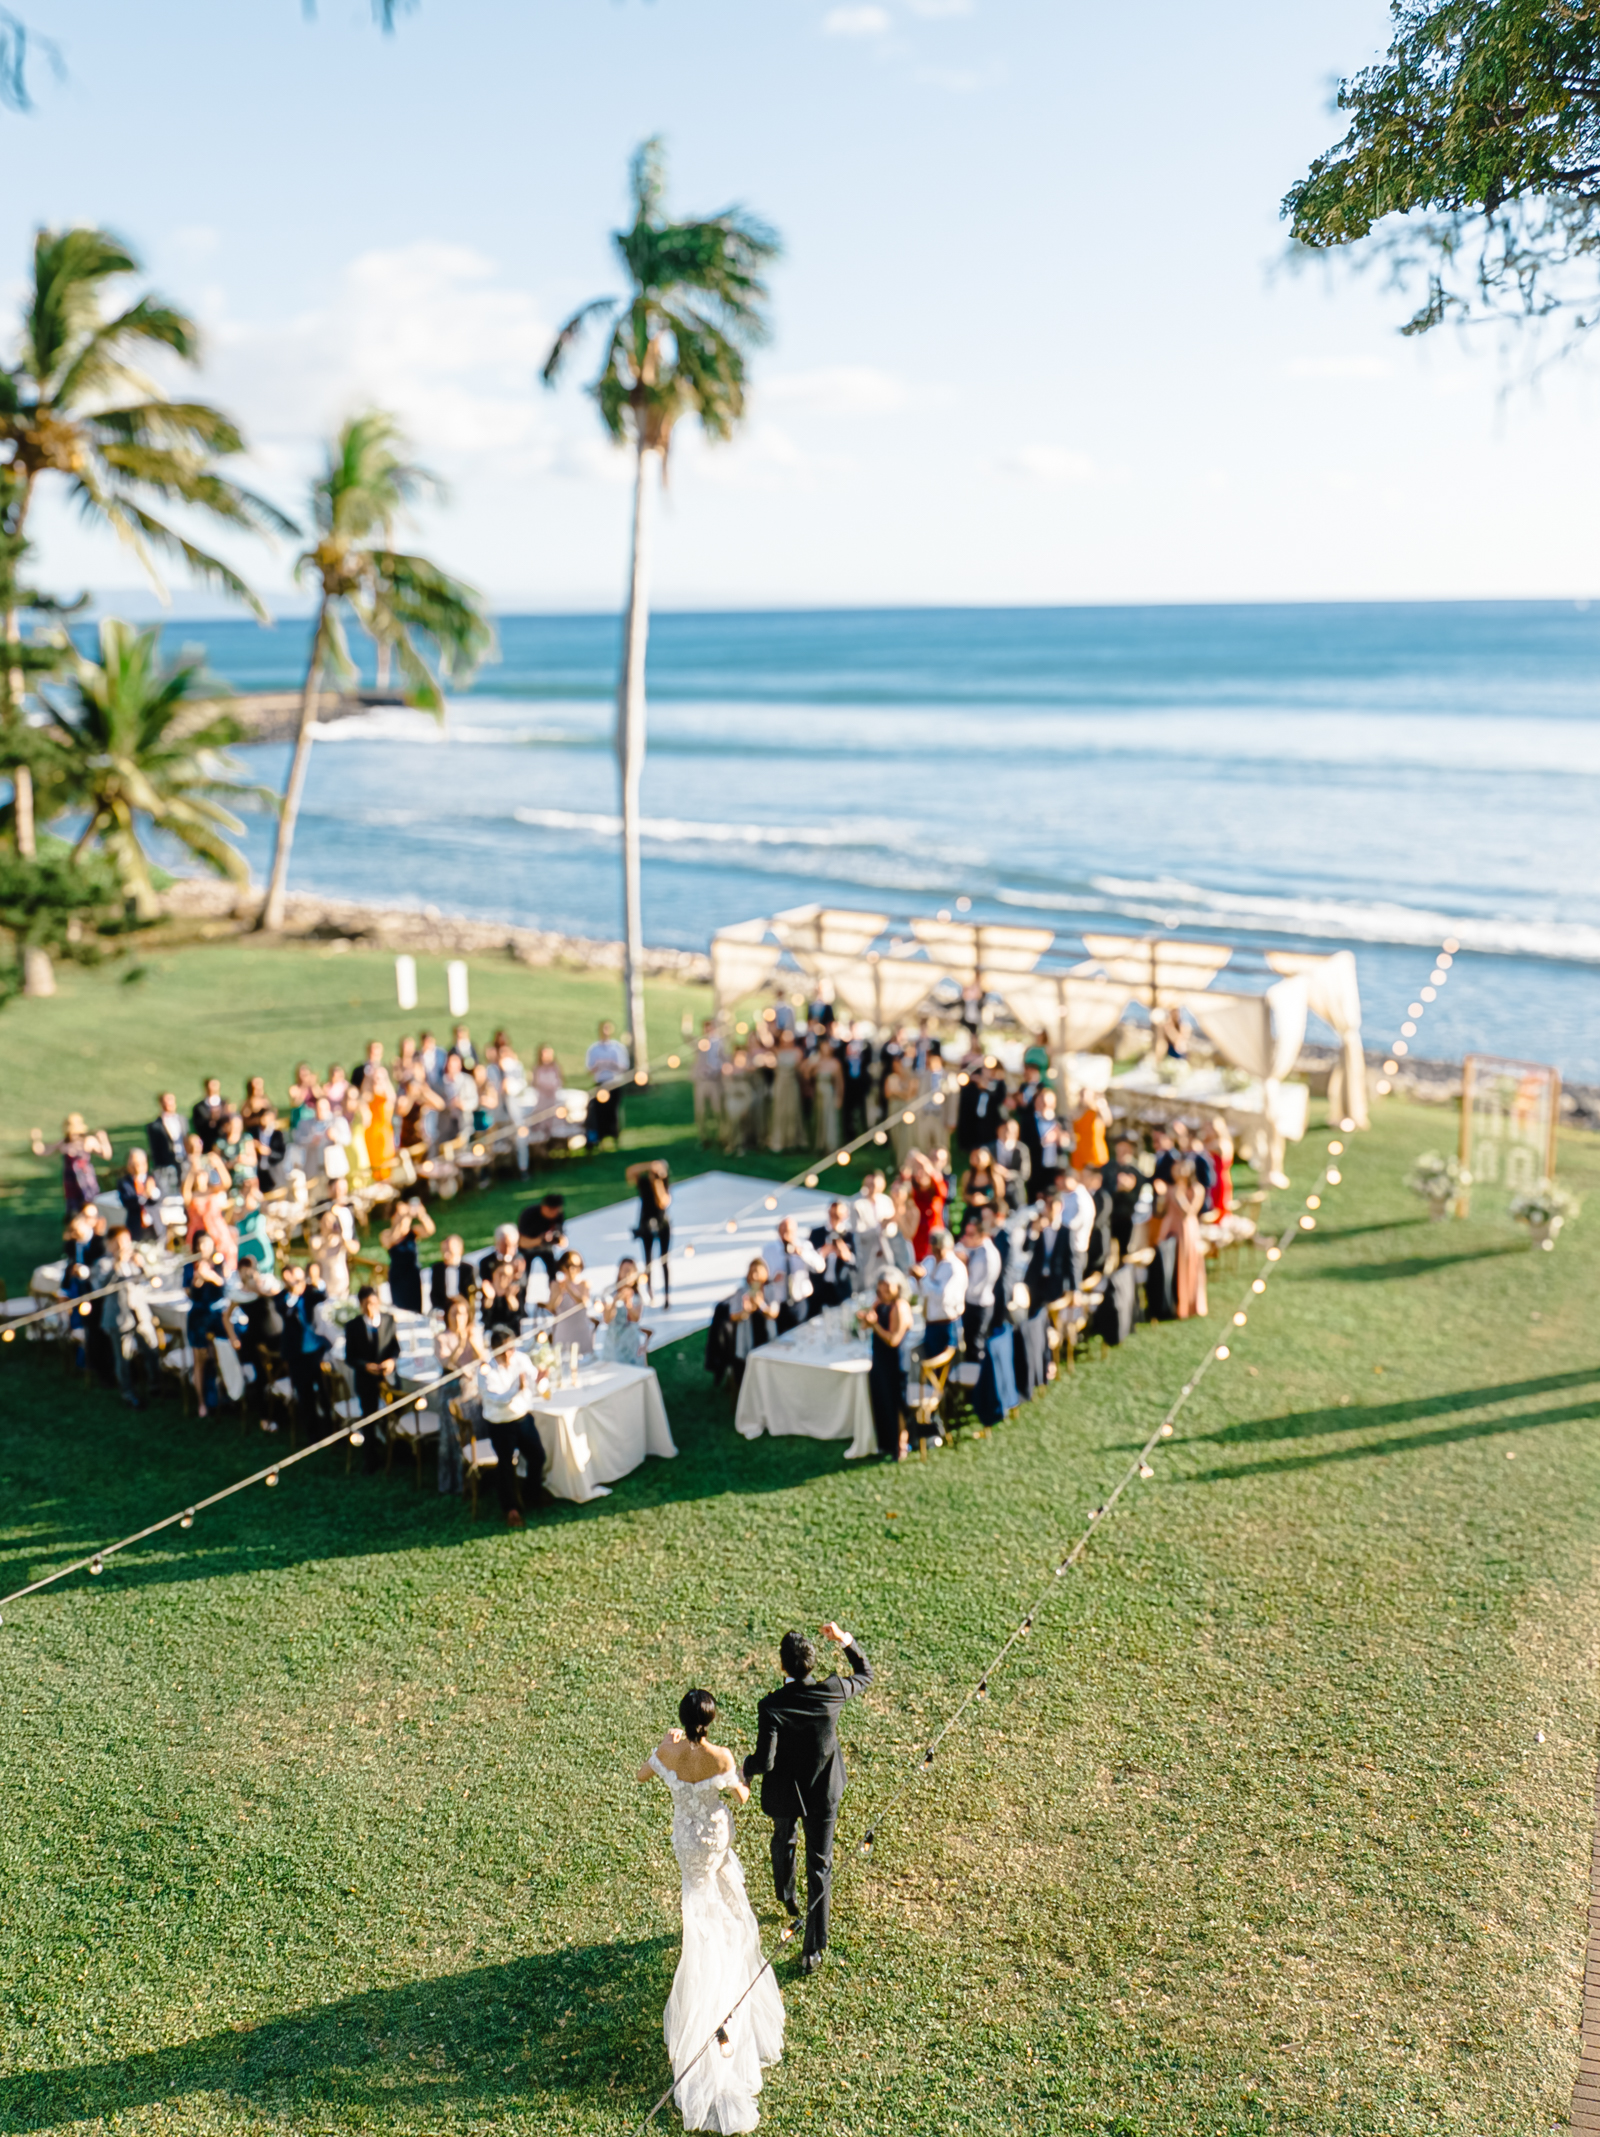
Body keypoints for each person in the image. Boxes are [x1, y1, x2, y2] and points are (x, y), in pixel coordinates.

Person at [641, 1687, 783, 2133]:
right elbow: (740, 1795)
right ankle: (725, 1977)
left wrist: (667, 1746)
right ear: (711, 1718)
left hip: (687, 1843)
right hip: (714, 1840)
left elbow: (643, 1775)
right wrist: (735, 1777)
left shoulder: (670, 1749)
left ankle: (707, 1956)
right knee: (724, 1902)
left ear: (682, 1720)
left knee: (698, 1901)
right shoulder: (720, 1756)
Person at [743, 1622, 873, 1973]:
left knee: (783, 1839)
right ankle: (811, 1951)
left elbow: (765, 1760)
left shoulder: (771, 1705)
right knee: (820, 1866)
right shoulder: (832, 1691)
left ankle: (787, 1898)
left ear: (782, 1666)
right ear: (812, 1664)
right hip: (823, 1793)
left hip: (787, 1790)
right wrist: (845, 1639)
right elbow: (865, 1673)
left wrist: (744, 1769)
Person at [476, 1326, 547, 1525]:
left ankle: (531, 1494)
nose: (510, 1354)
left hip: (522, 1418)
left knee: (538, 1456)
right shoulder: (485, 1370)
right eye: (505, 1350)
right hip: (500, 1424)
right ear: (495, 1350)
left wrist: (540, 1378)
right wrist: (518, 1388)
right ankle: (511, 1509)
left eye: (511, 1348)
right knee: (505, 1466)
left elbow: (532, 1377)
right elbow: (497, 1398)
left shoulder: (521, 1359)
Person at [91, 1227, 158, 1408]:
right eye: (120, 1242)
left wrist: (143, 1265)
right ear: (110, 1243)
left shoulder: (134, 1259)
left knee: (151, 1348)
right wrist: (116, 1266)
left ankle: (155, 1384)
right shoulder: (103, 1263)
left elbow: (152, 1280)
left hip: (139, 1313)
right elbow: (101, 1289)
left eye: (127, 1241)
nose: (124, 1246)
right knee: (123, 1357)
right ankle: (128, 1393)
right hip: (118, 1317)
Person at [433, 1293, 485, 1496]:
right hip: (451, 1392)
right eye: (454, 1314)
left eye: (462, 1313)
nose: (458, 1318)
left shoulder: (475, 1332)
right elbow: (449, 1364)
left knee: (475, 1432)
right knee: (452, 1438)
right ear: (447, 1316)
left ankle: (476, 1481)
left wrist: (471, 1341)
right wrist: (461, 1343)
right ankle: (453, 1483)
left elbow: (482, 1359)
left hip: (471, 1391)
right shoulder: (441, 1338)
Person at [858, 1273, 913, 1460]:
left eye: (888, 1286)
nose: (884, 1289)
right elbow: (866, 1326)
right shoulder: (879, 1303)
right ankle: (885, 1442)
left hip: (895, 1361)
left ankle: (901, 1445)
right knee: (882, 1399)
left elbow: (893, 1339)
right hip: (879, 1360)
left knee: (896, 1402)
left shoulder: (900, 1307)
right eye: (881, 1284)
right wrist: (865, 1319)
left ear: (898, 1287)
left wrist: (875, 1326)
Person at [344, 1286, 400, 1471]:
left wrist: (391, 1361)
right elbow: (350, 1357)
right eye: (367, 1304)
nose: (371, 1307)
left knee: (395, 1413)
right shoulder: (353, 1326)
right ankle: (371, 1459)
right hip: (366, 1380)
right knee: (368, 1418)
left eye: (374, 1303)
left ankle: (397, 1451)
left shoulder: (388, 1320)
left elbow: (395, 1347)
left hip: (387, 1379)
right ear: (361, 1305)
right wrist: (365, 1366)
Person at [31, 1114, 113, 1219]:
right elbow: (44, 1151)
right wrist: (36, 1140)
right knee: (73, 1213)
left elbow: (107, 1155)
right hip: (71, 1183)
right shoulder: (64, 1143)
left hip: (86, 1182)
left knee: (90, 1209)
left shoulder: (87, 1141)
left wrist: (103, 1140)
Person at [1157, 1156, 1208, 1319]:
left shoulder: (1197, 1189)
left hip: (1187, 1230)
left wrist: (1177, 1193)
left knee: (1187, 1264)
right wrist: (1161, 1195)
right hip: (1170, 1228)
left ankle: (1188, 1305)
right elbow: (1161, 1210)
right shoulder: (1170, 1188)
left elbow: (1188, 1212)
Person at [915, 1227, 966, 1371]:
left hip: (946, 1324)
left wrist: (923, 1279)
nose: (936, 1252)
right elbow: (920, 1289)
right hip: (930, 1323)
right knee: (930, 1364)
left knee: (946, 1369)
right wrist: (917, 1279)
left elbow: (943, 1297)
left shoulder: (954, 1267)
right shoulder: (930, 1261)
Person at [183, 1134, 235, 1270]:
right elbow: (185, 1194)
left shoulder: (212, 1191)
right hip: (198, 1234)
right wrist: (191, 1173)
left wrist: (218, 1164)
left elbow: (227, 1183)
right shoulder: (192, 1196)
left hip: (217, 1231)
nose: (201, 1176)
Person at [767, 1216, 825, 1333]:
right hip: (781, 1302)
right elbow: (764, 1274)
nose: (786, 1235)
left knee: (804, 1332)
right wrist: (773, 1278)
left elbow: (820, 1266)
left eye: (789, 1232)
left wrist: (802, 1253)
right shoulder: (770, 1249)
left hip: (801, 1299)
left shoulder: (804, 1246)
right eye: (783, 1231)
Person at [727, 1257, 780, 1386]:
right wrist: (745, 1312)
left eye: (757, 1271)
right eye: (752, 1272)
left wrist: (760, 1304)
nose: (754, 1276)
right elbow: (732, 1316)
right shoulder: (741, 1292)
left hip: (765, 1335)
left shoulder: (771, 1290)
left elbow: (773, 1313)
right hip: (747, 1337)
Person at [626, 1158, 672, 1305]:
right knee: (648, 1261)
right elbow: (629, 1172)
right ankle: (650, 1291)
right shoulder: (644, 1183)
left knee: (664, 1260)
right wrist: (649, 1167)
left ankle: (666, 1296)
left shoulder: (663, 1185)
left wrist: (656, 1182)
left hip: (662, 1225)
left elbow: (662, 1202)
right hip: (646, 1225)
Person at [956, 1212, 1001, 1361]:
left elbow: (975, 1288)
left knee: (976, 1344)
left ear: (982, 1235)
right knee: (969, 1342)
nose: (965, 1238)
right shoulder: (974, 1248)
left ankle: (976, 1377)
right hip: (972, 1304)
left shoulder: (987, 1256)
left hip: (979, 1306)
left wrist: (964, 1265)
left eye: (970, 1234)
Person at [380, 1198, 435, 1314]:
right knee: (400, 1309)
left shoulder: (413, 1233)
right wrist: (401, 1221)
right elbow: (391, 1241)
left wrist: (422, 1214)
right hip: (398, 1277)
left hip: (412, 1275)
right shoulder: (386, 1233)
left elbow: (429, 1230)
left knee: (415, 1309)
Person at [586, 1020, 630, 1147]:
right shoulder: (594, 1049)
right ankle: (600, 1137)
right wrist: (599, 1065)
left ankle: (615, 1135)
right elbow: (589, 1069)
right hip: (601, 1082)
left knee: (613, 1110)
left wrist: (612, 1064)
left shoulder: (618, 1048)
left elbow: (624, 1066)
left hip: (615, 1082)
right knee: (600, 1111)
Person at [600, 1258, 650, 1365]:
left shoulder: (638, 1294)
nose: (627, 1274)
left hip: (631, 1343)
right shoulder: (609, 1292)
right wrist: (614, 1301)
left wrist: (628, 1303)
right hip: (613, 1344)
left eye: (630, 1271)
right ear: (619, 1272)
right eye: (625, 1270)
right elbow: (606, 1319)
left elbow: (636, 1319)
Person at [809, 1200, 857, 1307]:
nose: (834, 1218)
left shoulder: (850, 1235)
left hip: (841, 1285)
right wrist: (822, 1252)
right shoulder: (817, 1234)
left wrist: (844, 1251)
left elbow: (856, 1262)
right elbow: (809, 1261)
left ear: (845, 1216)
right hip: (820, 1287)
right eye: (832, 1214)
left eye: (838, 1215)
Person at [548, 1249, 595, 1356]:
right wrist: (559, 1293)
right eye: (568, 1266)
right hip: (563, 1330)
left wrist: (569, 1289)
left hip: (580, 1330)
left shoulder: (584, 1284)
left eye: (576, 1266)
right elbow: (551, 1307)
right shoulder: (556, 1285)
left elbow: (584, 1303)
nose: (572, 1269)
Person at [475, 1224, 527, 1316]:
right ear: (497, 1243)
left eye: (512, 1245)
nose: (508, 1249)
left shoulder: (520, 1260)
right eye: (505, 1245)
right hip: (492, 1310)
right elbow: (485, 1282)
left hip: (515, 1311)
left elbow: (522, 1283)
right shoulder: (486, 1262)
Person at [517, 1192, 569, 1285]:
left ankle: (554, 1295)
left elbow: (562, 1241)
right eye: (554, 1211)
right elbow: (521, 1242)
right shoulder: (529, 1214)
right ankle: (522, 1297)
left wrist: (558, 1240)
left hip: (546, 1249)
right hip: (527, 1250)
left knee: (553, 1274)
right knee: (523, 1278)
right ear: (545, 1208)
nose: (556, 1214)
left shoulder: (558, 1216)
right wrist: (541, 1239)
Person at [117, 1148, 164, 1246]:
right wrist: (145, 1194)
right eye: (133, 1164)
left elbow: (159, 1198)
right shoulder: (124, 1183)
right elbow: (128, 1202)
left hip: (155, 1225)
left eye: (139, 1164)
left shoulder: (153, 1178)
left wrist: (152, 1192)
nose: (136, 1167)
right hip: (136, 1227)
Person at [692, 1020, 724, 1147]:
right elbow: (686, 1037)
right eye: (706, 1029)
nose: (708, 1031)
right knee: (701, 1111)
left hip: (714, 1080)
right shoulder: (700, 1043)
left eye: (710, 1028)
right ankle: (703, 1137)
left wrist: (716, 1070)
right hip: (701, 1081)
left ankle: (720, 1135)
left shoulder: (720, 1043)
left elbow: (724, 1059)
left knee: (717, 1110)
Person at [428, 1233, 475, 1315]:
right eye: (444, 1251)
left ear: (460, 1250)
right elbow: (434, 1293)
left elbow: (471, 1295)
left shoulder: (468, 1269)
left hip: (463, 1309)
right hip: (442, 1308)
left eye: (449, 1251)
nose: (446, 1255)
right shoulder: (437, 1268)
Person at [146, 1093, 187, 1188]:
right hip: (166, 1165)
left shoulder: (183, 1120)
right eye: (166, 1101)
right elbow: (154, 1149)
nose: (169, 1104)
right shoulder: (155, 1126)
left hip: (184, 1160)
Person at [190, 1077, 230, 1151]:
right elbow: (197, 1126)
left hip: (224, 1142)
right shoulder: (199, 1107)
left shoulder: (225, 1104)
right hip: (206, 1143)